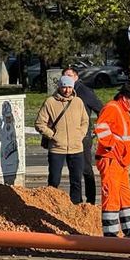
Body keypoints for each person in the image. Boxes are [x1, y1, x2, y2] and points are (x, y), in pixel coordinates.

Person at [95, 83, 130, 238]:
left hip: (121, 162)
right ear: (123, 97)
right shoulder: (112, 108)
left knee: (125, 197)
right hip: (111, 160)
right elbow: (101, 129)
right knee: (112, 197)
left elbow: (123, 135)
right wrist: (114, 145)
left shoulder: (124, 111)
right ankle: (111, 235)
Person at [35, 75, 90, 204]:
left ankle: (76, 205)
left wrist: (80, 135)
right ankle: (51, 204)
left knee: (76, 180)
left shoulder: (78, 102)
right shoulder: (50, 102)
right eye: (64, 87)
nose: (67, 90)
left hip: (76, 148)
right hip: (57, 148)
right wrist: (53, 136)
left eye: (70, 87)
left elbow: (85, 121)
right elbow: (39, 123)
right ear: (59, 87)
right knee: (54, 179)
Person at [63, 67, 103, 205]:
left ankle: (90, 201)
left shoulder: (84, 91)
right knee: (74, 169)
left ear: (76, 77)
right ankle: (76, 201)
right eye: (64, 76)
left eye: (69, 75)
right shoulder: (63, 92)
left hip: (83, 137)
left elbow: (101, 109)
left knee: (86, 169)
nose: (66, 78)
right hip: (68, 137)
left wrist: (101, 129)